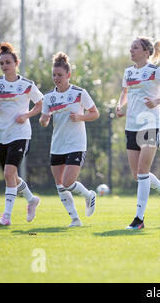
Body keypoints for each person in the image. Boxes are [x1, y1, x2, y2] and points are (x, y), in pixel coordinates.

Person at [115, 37, 160, 230]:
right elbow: (125, 92)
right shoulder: (128, 72)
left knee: (143, 172)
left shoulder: (155, 71)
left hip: (151, 125)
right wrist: (120, 105)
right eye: (130, 47)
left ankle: (139, 219)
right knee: (137, 175)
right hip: (131, 126)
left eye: (135, 48)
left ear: (146, 52)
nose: (131, 51)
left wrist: (157, 101)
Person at [0, 42, 43, 226]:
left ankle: (6, 217)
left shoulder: (27, 84)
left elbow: (40, 104)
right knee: (11, 176)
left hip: (20, 134)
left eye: (8, 62)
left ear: (16, 63)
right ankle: (31, 200)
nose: (4, 66)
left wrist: (27, 115)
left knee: (9, 172)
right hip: (0, 135)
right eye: (1, 63)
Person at [39, 52, 99, 227]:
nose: (56, 78)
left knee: (68, 182)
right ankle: (75, 219)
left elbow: (95, 113)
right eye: (54, 75)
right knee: (60, 185)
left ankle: (89, 196)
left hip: (76, 144)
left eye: (60, 75)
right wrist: (44, 120)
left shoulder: (80, 93)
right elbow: (44, 120)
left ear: (68, 75)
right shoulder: (49, 97)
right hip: (57, 145)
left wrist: (80, 117)